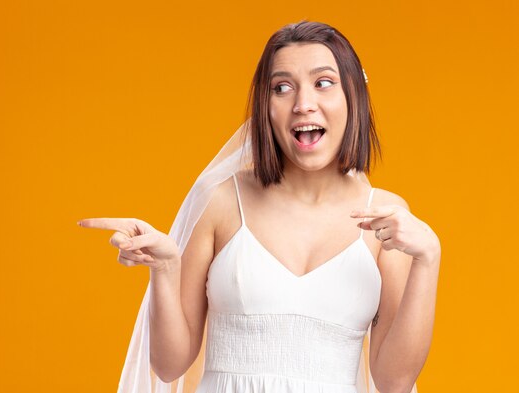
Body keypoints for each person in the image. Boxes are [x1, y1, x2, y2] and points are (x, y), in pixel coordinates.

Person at [79, 21, 441, 393]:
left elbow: (394, 382)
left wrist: (428, 258)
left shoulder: (385, 217)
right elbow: (168, 366)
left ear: (353, 96)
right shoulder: (222, 202)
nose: (303, 104)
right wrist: (166, 269)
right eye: (282, 88)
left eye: (323, 83)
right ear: (265, 107)